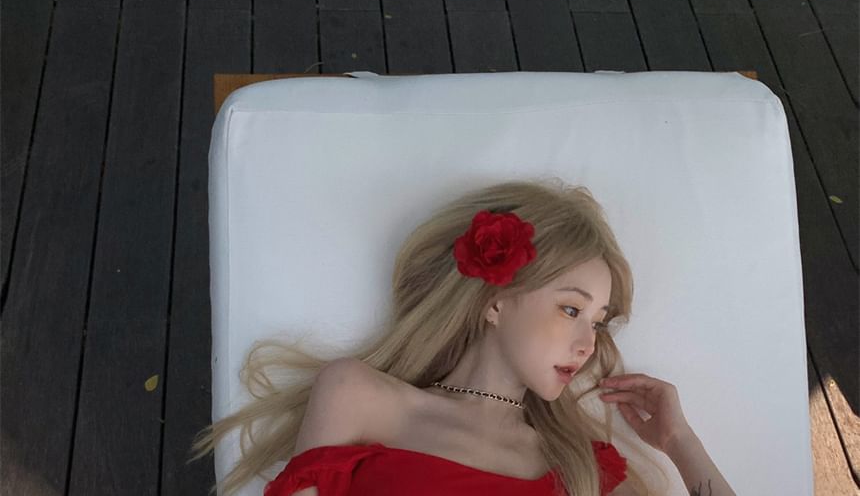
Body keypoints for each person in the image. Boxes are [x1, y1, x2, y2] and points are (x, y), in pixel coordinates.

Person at [188, 177, 737, 496]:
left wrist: (680, 443)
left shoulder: (579, 465)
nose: (587, 343)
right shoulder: (357, 395)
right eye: (570, 308)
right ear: (495, 301)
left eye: (597, 321)